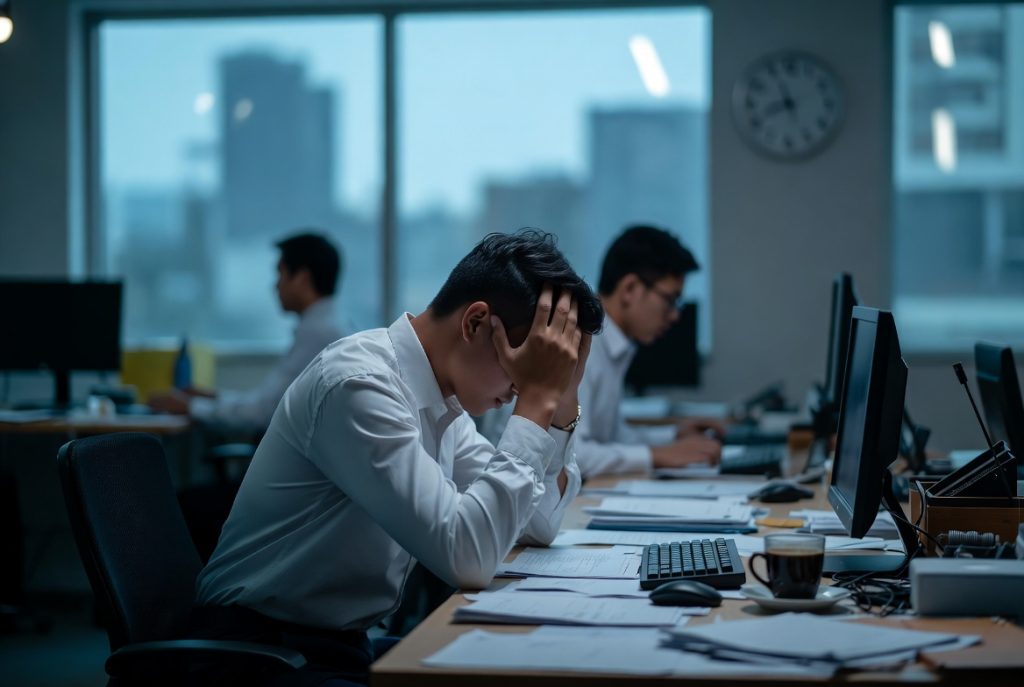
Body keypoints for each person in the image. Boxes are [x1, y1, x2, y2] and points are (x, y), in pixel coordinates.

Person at [190, 230, 603, 685]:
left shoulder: (443, 405)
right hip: (252, 655)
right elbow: (467, 555)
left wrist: (562, 402)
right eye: (524, 367)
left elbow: (538, 524)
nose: (520, 389)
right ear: (475, 323)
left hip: (336, 644)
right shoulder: (359, 386)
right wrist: (537, 402)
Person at [150, 232, 344, 433]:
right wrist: (212, 397)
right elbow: (266, 401)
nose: (276, 285)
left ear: (302, 279)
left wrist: (190, 406)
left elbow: (262, 412)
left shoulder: (317, 335)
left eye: (281, 274)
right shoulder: (329, 327)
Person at [575, 225, 723, 478]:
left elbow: (609, 436)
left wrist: (674, 436)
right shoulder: (580, 342)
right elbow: (572, 456)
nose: (675, 315)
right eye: (670, 299)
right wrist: (657, 456)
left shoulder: (612, 343)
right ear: (630, 289)